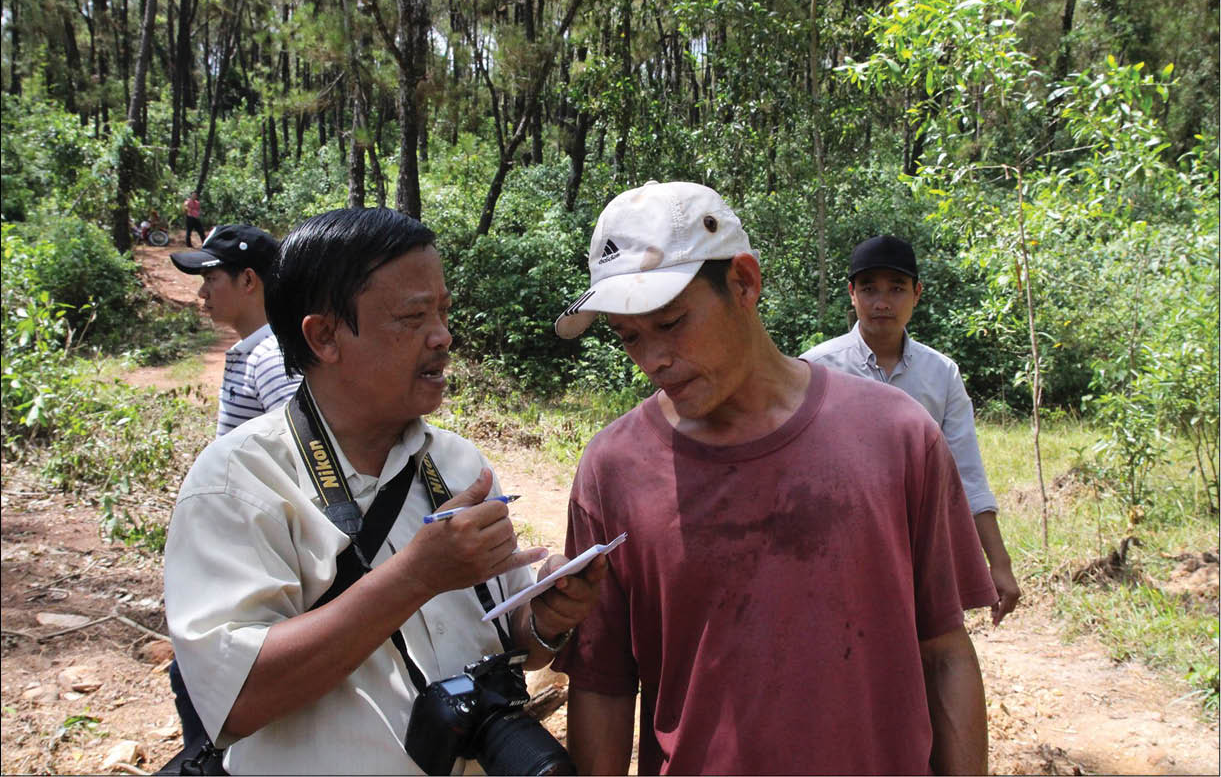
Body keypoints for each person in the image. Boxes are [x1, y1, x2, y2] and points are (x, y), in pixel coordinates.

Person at [551, 181, 997, 775]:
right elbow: (603, 683)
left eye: (672, 322)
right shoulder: (614, 469)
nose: (652, 359)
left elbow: (943, 650)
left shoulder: (897, 436)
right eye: (630, 336)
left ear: (744, 283)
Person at [163, 207, 605, 774]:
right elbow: (237, 700)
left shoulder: (457, 463)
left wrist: (544, 616)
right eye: (413, 316)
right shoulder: (239, 483)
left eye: (443, 311)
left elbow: (515, 640)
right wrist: (417, 576)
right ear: (324, 335)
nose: (442, 336)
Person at [801, 235, 1021, 626]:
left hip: (921, 547)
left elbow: (966, 473)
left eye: (897, 289)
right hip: (835, 549)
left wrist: (999, 562)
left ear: (917, 294)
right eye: (869, 289)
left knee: (926, 656)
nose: (882, 302)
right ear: (852, 294)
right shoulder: (816, 370)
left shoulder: (941, 374)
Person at [170, 225, 301, 436]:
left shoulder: (272, 358)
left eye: (210, 278)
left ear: (248, 280)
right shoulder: (258, 352)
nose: (202, 292)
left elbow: (304, 450)